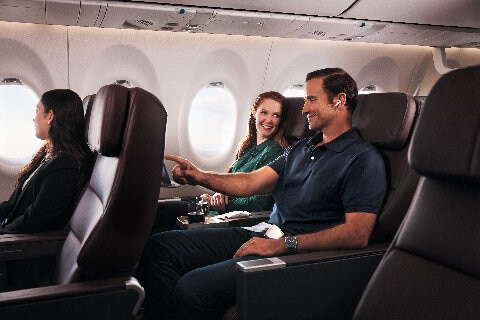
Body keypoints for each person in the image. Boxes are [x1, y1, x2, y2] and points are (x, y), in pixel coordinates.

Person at [142, 68, 387, 319]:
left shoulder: (362, 159)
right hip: (264, 231)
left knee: (191, 288)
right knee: (159, 249)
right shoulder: (303, 147)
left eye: (312, 99)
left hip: (298, 254)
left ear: (340, 100)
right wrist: (200, 176)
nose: (304, 109)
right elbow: (252, 181)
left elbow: (357, 234)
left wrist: (284, 245)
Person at [152, 91, 289, 232]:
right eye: (264, 112)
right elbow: (233, 184)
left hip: (233, 217)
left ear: (281, 121)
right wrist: (217, 195)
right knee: (156, 211)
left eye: (276, 115)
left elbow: (258, 204)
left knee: (160, 223)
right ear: (254, 113)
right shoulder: (248, 146)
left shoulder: (276, 153)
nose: (269, 120)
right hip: (217, 211)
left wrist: (220, 204)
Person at [0, 89, 94, 234]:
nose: (34, 118)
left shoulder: (66, 165)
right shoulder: (49, 153)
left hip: (21, 244)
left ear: (50, 116)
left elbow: (34, 220)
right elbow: (12, 206)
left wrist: (3, 232)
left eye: (37, 111)